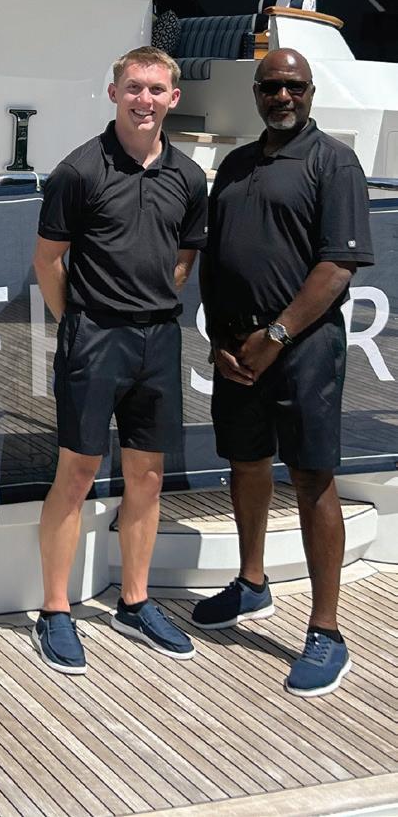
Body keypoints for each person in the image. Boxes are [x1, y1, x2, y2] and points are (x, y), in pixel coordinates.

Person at [193, 48, 373, 697]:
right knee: (245, 463)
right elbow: (215, 260)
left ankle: (327, 631)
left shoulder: (335, 162)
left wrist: (275, 336)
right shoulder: (236, 164)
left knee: (312, 477)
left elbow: (336, 267)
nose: (282, 97)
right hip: (238, 349)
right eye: (271, 86)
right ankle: (251, 583)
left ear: (311, 91)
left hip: (303, 347)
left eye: (294, 86)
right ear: (256, 92)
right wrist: (220, 339)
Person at [32, 45, 208, 674]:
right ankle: (55, 610)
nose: (144, 100)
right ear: (114, 93)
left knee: (148, 476)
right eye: (134, 88)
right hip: (94, 336)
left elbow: (183, 260)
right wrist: (78, 324)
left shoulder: (190, 177)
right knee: (77, 472)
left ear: (173, 99)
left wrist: (148, 305)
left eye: (156, 90)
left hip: (158, 340)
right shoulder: (78, 171)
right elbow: (48, 260)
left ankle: (134, 601)